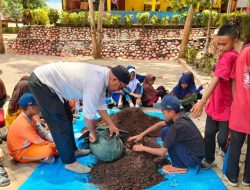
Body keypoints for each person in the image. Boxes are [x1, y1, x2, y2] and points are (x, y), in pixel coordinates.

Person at [28, 62, 130, 174]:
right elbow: (88, 115)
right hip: (43, 83)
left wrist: (111, 125)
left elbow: (100, 106)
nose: (118, 90)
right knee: (60, 123)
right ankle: (69, 162)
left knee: (67, 117)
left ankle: (73, 150)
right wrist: (92, 133)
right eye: (120, 87)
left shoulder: (103, 79)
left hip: (55, 86)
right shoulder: (96, 81)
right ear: (114, 79)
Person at [191, 25, 239, 167]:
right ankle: (209, 159)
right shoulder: (227, 55)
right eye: (218, 44)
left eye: (224, 44)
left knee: (222, 139)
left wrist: (202, 101)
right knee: (210, 134)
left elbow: (217, 79)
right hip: (216, 104)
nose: (220, 47)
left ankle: (225, 151)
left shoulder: (230, 56)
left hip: (225, 106)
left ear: (234, 42)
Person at [128, 95, 205, 173]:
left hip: (193, 159)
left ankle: (178, 166)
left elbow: (161, 152)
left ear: (171, 112)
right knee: (165, 131)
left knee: (167, 133)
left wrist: (142, 148)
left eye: (163, 112)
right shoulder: (180, 117)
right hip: (198, 155)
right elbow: (160, 124)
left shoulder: (176, 128)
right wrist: (141, 134)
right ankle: (180, 162)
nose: (162, 114)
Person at [224, 36, 250, 187]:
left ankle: (232, 177)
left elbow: (234, 80)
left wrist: (236, 100)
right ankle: (248, 178)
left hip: (241, 106)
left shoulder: (243, 53)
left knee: (235, 143)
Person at [7, 93, 58, 163]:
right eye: (37, 105)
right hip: (20, 152)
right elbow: (39, 141)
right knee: (49, 150)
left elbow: (43, 133)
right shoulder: (23, 124)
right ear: (30, 108)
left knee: (55, 143)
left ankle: (43, 156)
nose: (40, 107)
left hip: (30, 145)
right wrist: (56, 145)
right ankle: (40, 157)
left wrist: (57, 141)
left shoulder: (32, 116)